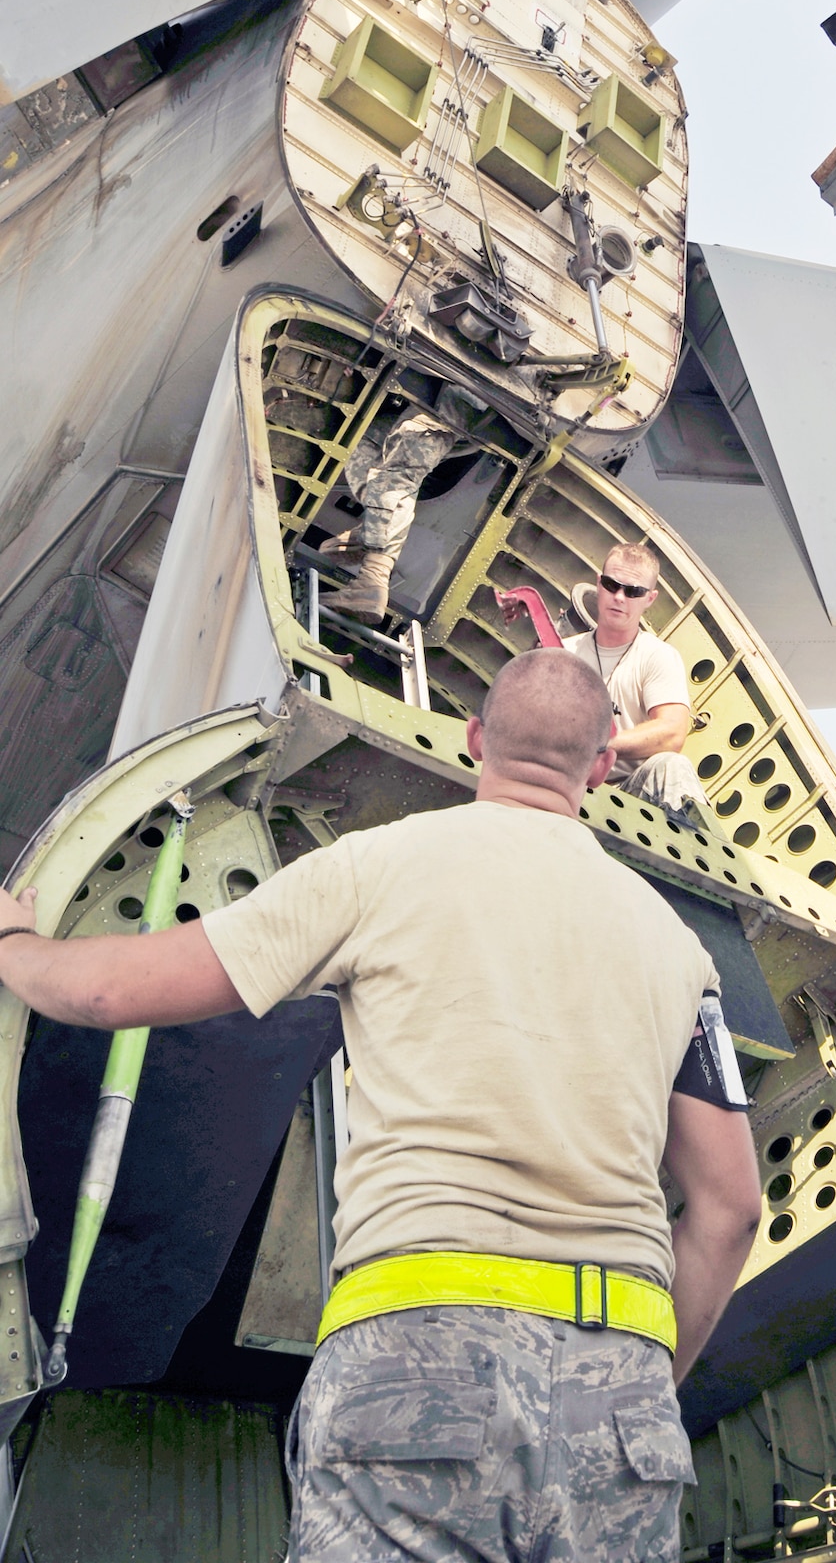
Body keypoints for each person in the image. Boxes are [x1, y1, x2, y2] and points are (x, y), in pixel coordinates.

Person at [0, 649, 762, 1561]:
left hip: (422, 1347)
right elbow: (731, 1209)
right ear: (602, 766)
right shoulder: (679, 952)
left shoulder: (381, 865)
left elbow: (112, 994)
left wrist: (15, 946)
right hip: (622, 1384)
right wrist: (634, 1380)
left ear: (474, 739)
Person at [564, 542, 706, 816]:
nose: (619, 597)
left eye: (633, 591)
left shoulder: (656, 656)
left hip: (626, 795)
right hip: (561, 782)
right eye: (611, 585)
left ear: (650, 598)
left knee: (673, 766)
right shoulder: (562, 653)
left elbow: (672, 732)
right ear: (599, 583)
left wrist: (600, 744)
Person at [321, 391, 484, 621]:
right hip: (457, 400)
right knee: (367, 442)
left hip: (462, 401)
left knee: (399, 476)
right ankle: (373, 533)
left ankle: (373, 578)